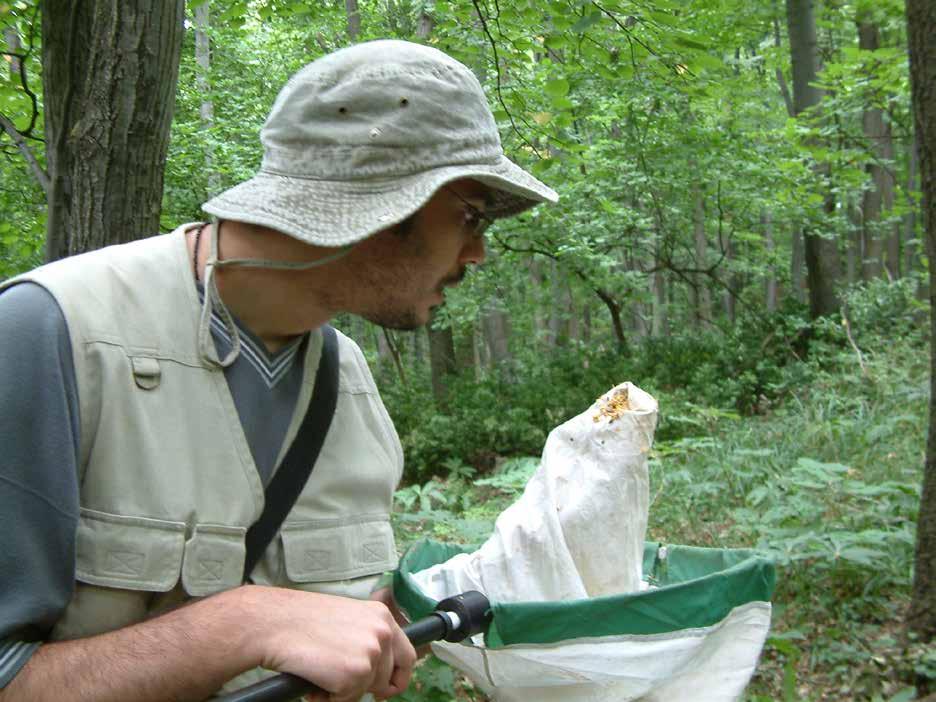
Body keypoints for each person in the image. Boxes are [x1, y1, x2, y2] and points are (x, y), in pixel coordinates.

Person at [0, 39, 556, 702]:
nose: (479, 251)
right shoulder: (48, 334)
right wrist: (238, 626)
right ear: (380, 201)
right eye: (469, 213)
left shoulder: (347, 381)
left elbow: (332, 621)